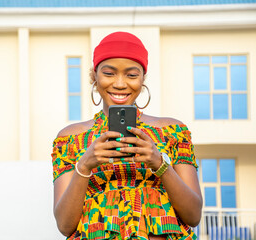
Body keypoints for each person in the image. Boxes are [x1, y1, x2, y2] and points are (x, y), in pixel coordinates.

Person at [51, 31, 202, 240]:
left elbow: (193, 215)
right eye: (109, 73)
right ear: (94, 76)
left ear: (143, 79)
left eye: (131, 75)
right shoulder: (70, 138)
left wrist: (160, 164)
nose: (120, 84)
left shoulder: (172, 131)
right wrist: (84, 165)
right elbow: (65, 225)